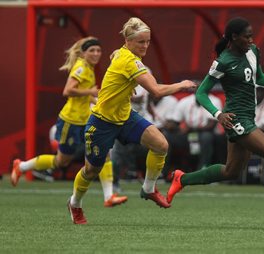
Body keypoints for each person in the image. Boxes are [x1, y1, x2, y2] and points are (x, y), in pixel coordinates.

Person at [166, 17, 264, 229]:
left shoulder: (253, 51)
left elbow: (259, 77)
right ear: (234, 37)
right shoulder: (223, 62)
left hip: (249, 116)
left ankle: (182, 179)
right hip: (236, 119)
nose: (251, 39)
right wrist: (218, 114)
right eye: (246, 36)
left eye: (251, 35)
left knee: (231, 172)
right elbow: (201, 93)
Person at [66, 18, 196, 224]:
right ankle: (75, 204)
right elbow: (156, 90)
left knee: (161, 144)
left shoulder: (123, 53)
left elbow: (116, 55)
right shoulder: (130, 61)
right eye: (140, 42)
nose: (145, 46)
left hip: (125, 116)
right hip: (101, 122)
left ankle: (148, 189)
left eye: (147, 41)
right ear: (128, 41)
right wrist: (182, 84)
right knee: (91, 170)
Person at [10, 37, 128, 207]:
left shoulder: (89, 68)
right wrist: (92, 91)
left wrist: (100, 101)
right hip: (71, 121)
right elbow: (68, 91)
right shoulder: (81, 68)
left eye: (98, 50)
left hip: (85, 120)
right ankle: (21, 166)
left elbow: (86, 96)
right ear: (83, 53)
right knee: (61, 162)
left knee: (104, 153)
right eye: (92, 51)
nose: (96, 54)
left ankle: (109, 196)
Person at [165, 91, 222, 171]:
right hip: (189, 134)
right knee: (167, 136)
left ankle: (203, 169)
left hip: (208, 134)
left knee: (206, 137)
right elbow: (175, 121)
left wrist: (192, 128)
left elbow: (211, 125)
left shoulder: (214, 101)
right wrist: (172, 126)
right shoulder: (185, 101)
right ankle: (165, 172)